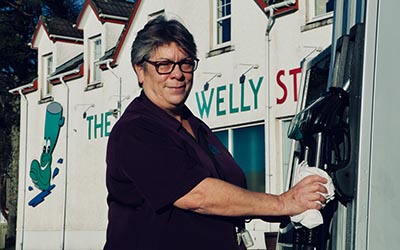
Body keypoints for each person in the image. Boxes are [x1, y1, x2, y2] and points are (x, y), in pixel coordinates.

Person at [104, 15, 328, 250]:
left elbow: (226, 191)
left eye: (186, 63)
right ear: (140, 70)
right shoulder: (136, 130)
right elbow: (197, 195)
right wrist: (282, 203)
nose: (177, 74)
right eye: (164, 65)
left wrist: (276, 210)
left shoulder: (196, 126)